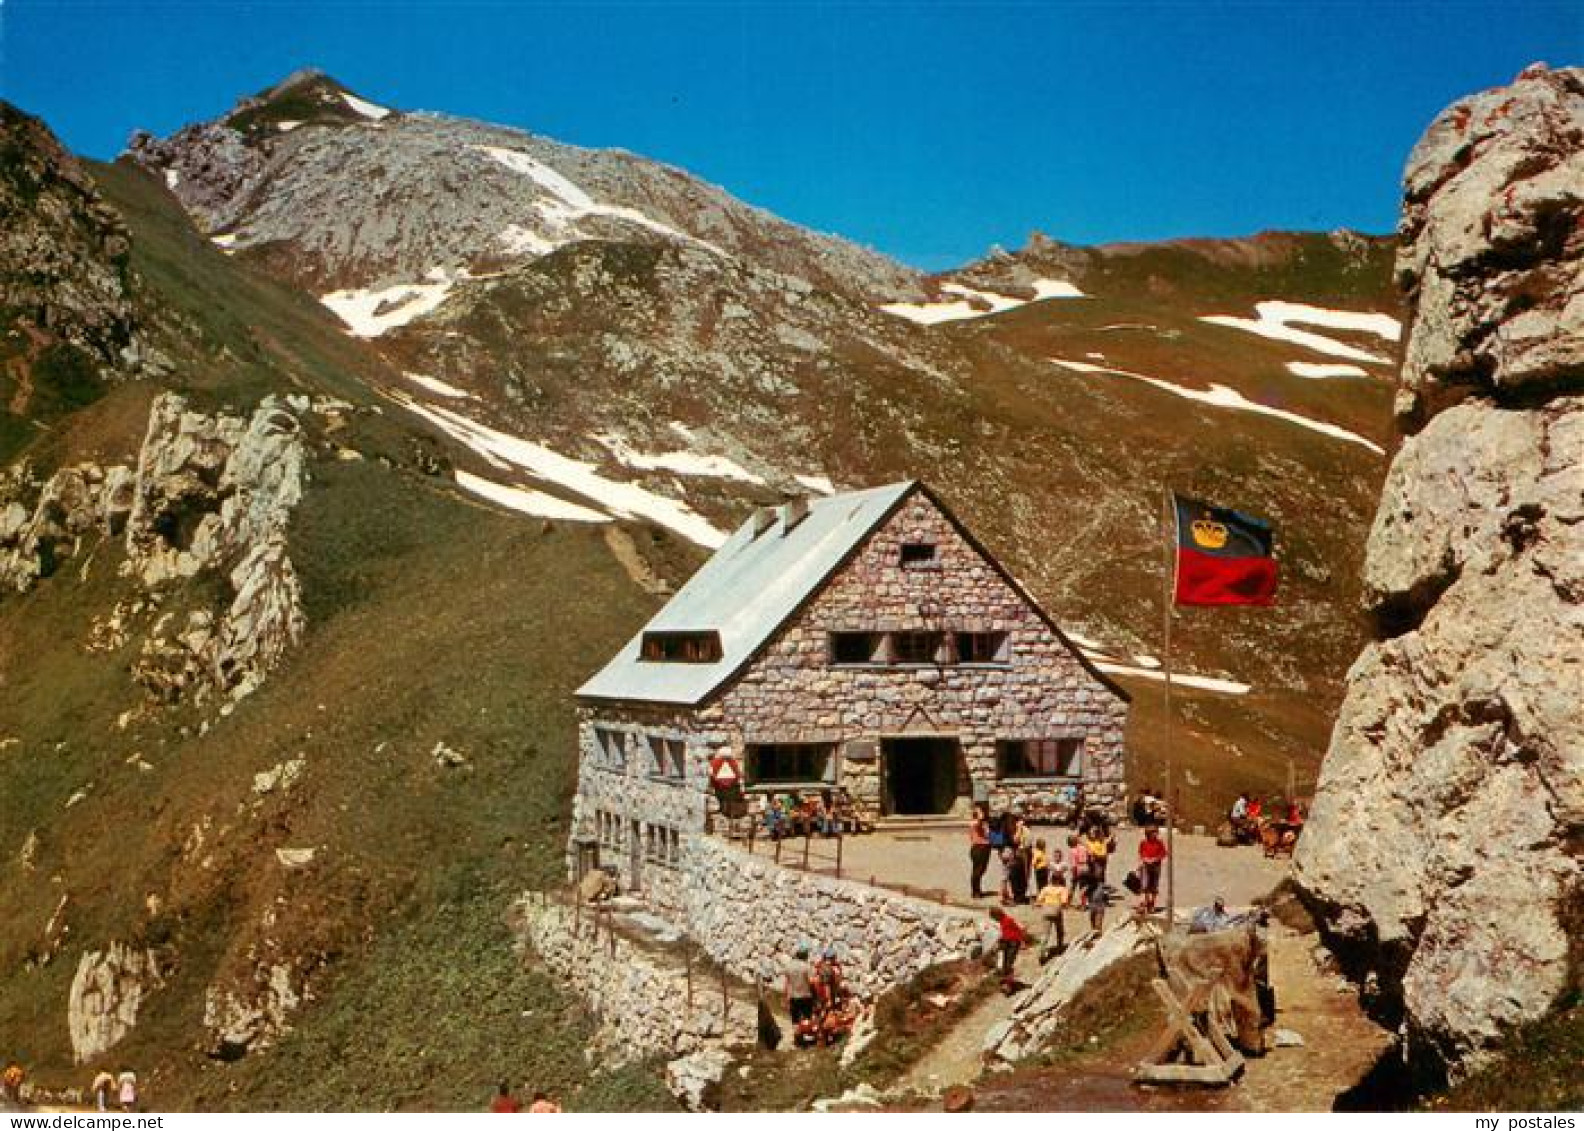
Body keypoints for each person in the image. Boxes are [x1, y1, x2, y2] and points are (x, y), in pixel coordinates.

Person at [989, 907, 1031, 990]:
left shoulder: (1008, 919)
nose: (995, 920)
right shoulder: (1001, 921)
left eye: (994, 917)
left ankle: (1009, 984)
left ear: (997, 915)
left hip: (1014, 943)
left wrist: (1023, 942)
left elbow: (1019, 930)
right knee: (1005, 964)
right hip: (1006, 943)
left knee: (1008, 963)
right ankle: (1008, 982)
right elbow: (1005, 933)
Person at [783, 943, 817, 1036]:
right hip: (806, 996)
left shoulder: (789, 966)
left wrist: (786, 999)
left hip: (793, 997)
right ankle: (807, 1035)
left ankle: (797, 1037)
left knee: (795, 1019)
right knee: (807, 1017)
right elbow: (811, 982)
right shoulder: (806, 967)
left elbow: (787, 984)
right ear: (805, 955)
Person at [1033, 868, 1068, 958]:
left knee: (1045, 933)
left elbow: (1039, 900)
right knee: (1059, 930)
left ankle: (1042, 951)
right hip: (1056, 910)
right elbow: (1064, 902)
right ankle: (1060, 947)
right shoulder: (1062, 889)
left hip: (1046, 910)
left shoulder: (1045, 889)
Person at [1137, 825, 1168, 914]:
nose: (1155, 834)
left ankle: (1152, 903)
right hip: (1146, 866)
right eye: (1153, 833)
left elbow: (1163, 853)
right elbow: (1141, 852)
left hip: (1156, 866)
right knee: (1146, 885)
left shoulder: (1159, 842)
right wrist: (1144, 859)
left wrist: (1155, 859)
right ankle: (1146, 902)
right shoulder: (1143, 842)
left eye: (1155, 832)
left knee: (1154, 885)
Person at [968, 803, 992, 899]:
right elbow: (978, 826)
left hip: (984, 847)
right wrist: (980, 817)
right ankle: (975, 892)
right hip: (979, 847)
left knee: (981, 869)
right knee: (977, 870)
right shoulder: (975, 822)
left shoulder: (983, 823)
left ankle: (977, 890)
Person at [1066, 834, 1090, 908]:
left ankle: (1068, 902)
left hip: (1078, 868)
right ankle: (1084, 903)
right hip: (1086, 866)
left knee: (1073, 885)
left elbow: (1073, 865)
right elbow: (1089, 854)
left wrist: (1073, 874)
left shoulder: (1072, 851)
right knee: (1083, 886)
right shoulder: (1083, 848)